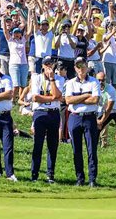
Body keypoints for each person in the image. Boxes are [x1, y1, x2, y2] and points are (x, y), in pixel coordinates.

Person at [65, 57, 101, 187]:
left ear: (87, 67)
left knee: (92, 149)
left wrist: (77, 99)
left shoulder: (94, 82)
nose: (81, 69)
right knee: (76, 150)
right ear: (75, 68)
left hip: (89, 117)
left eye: (83, 66)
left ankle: (92, 179)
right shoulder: (70, 83)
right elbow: (68, 100)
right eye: (78, 66)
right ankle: (80, 178)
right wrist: (86, 95)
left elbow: (95, 100)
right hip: (75, 117)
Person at [30, 56, 65, 183]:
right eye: (47, 64)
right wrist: (53, 98)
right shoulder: (36, 78)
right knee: (37, 144)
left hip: (53, 113)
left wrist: (51, 79)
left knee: (52, 145)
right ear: (43, 66)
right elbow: (35, 98)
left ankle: (50, 175)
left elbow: (58, 94)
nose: (49, 67)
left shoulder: (59, 79)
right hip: (40, 112)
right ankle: (34, 174)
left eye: (51, 64)